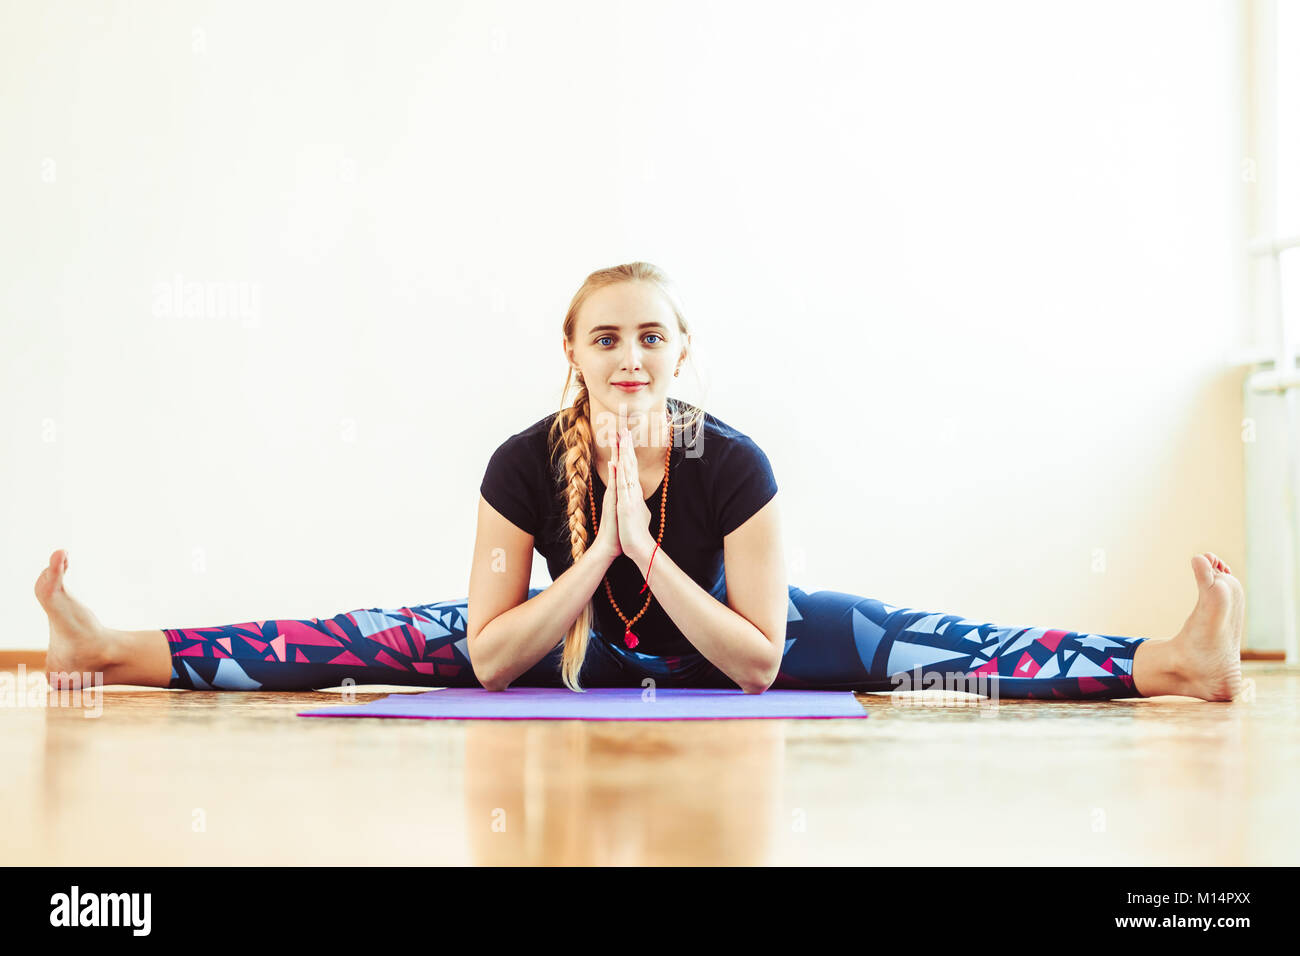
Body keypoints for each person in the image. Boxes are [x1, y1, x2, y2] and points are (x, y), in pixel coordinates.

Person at [35, 262, 1245, 701]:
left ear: (679, 350)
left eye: (650, 336)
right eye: (605, 336)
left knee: (933, 643)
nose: (629, 355)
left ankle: (1173, 662)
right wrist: (599, 559)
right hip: (565, 642)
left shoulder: (735, 460)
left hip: (732, 639)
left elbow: (759, 663)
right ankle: (109, 647)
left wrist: (647, 550)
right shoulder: (521, 460)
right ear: (572, 351)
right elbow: (492, 657)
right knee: (356, 636)